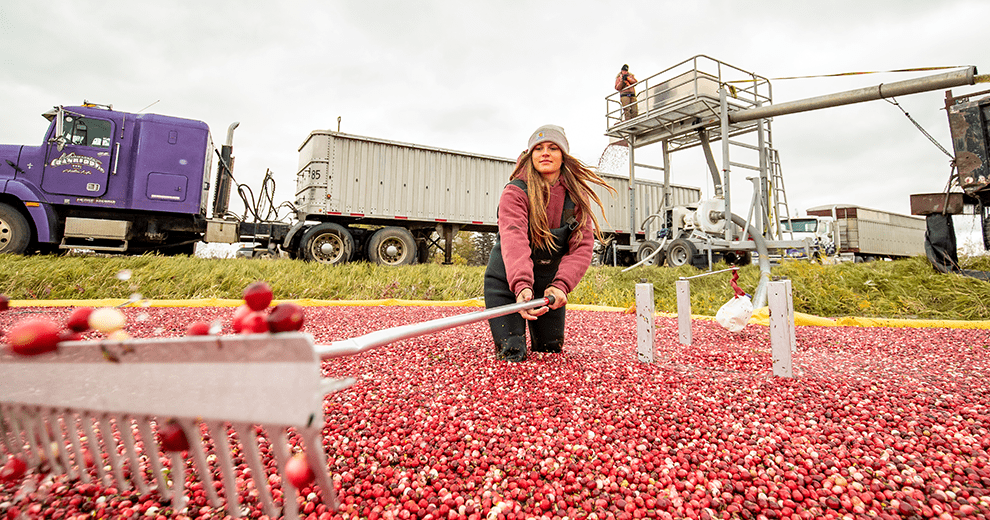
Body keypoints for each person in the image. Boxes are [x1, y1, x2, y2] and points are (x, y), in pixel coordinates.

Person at [484, 125, 617, 362]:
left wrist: (561, 285)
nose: (545, 153)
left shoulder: (575, 197)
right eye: (538, 148)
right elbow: (514, 238)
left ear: (563, 155)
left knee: (550, 352)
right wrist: (522, 286)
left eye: (553, 148)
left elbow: (582, 247)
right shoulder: (515, 192)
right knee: (512, 354)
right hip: (507, 281)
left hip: (549, 285)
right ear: (530, 155)